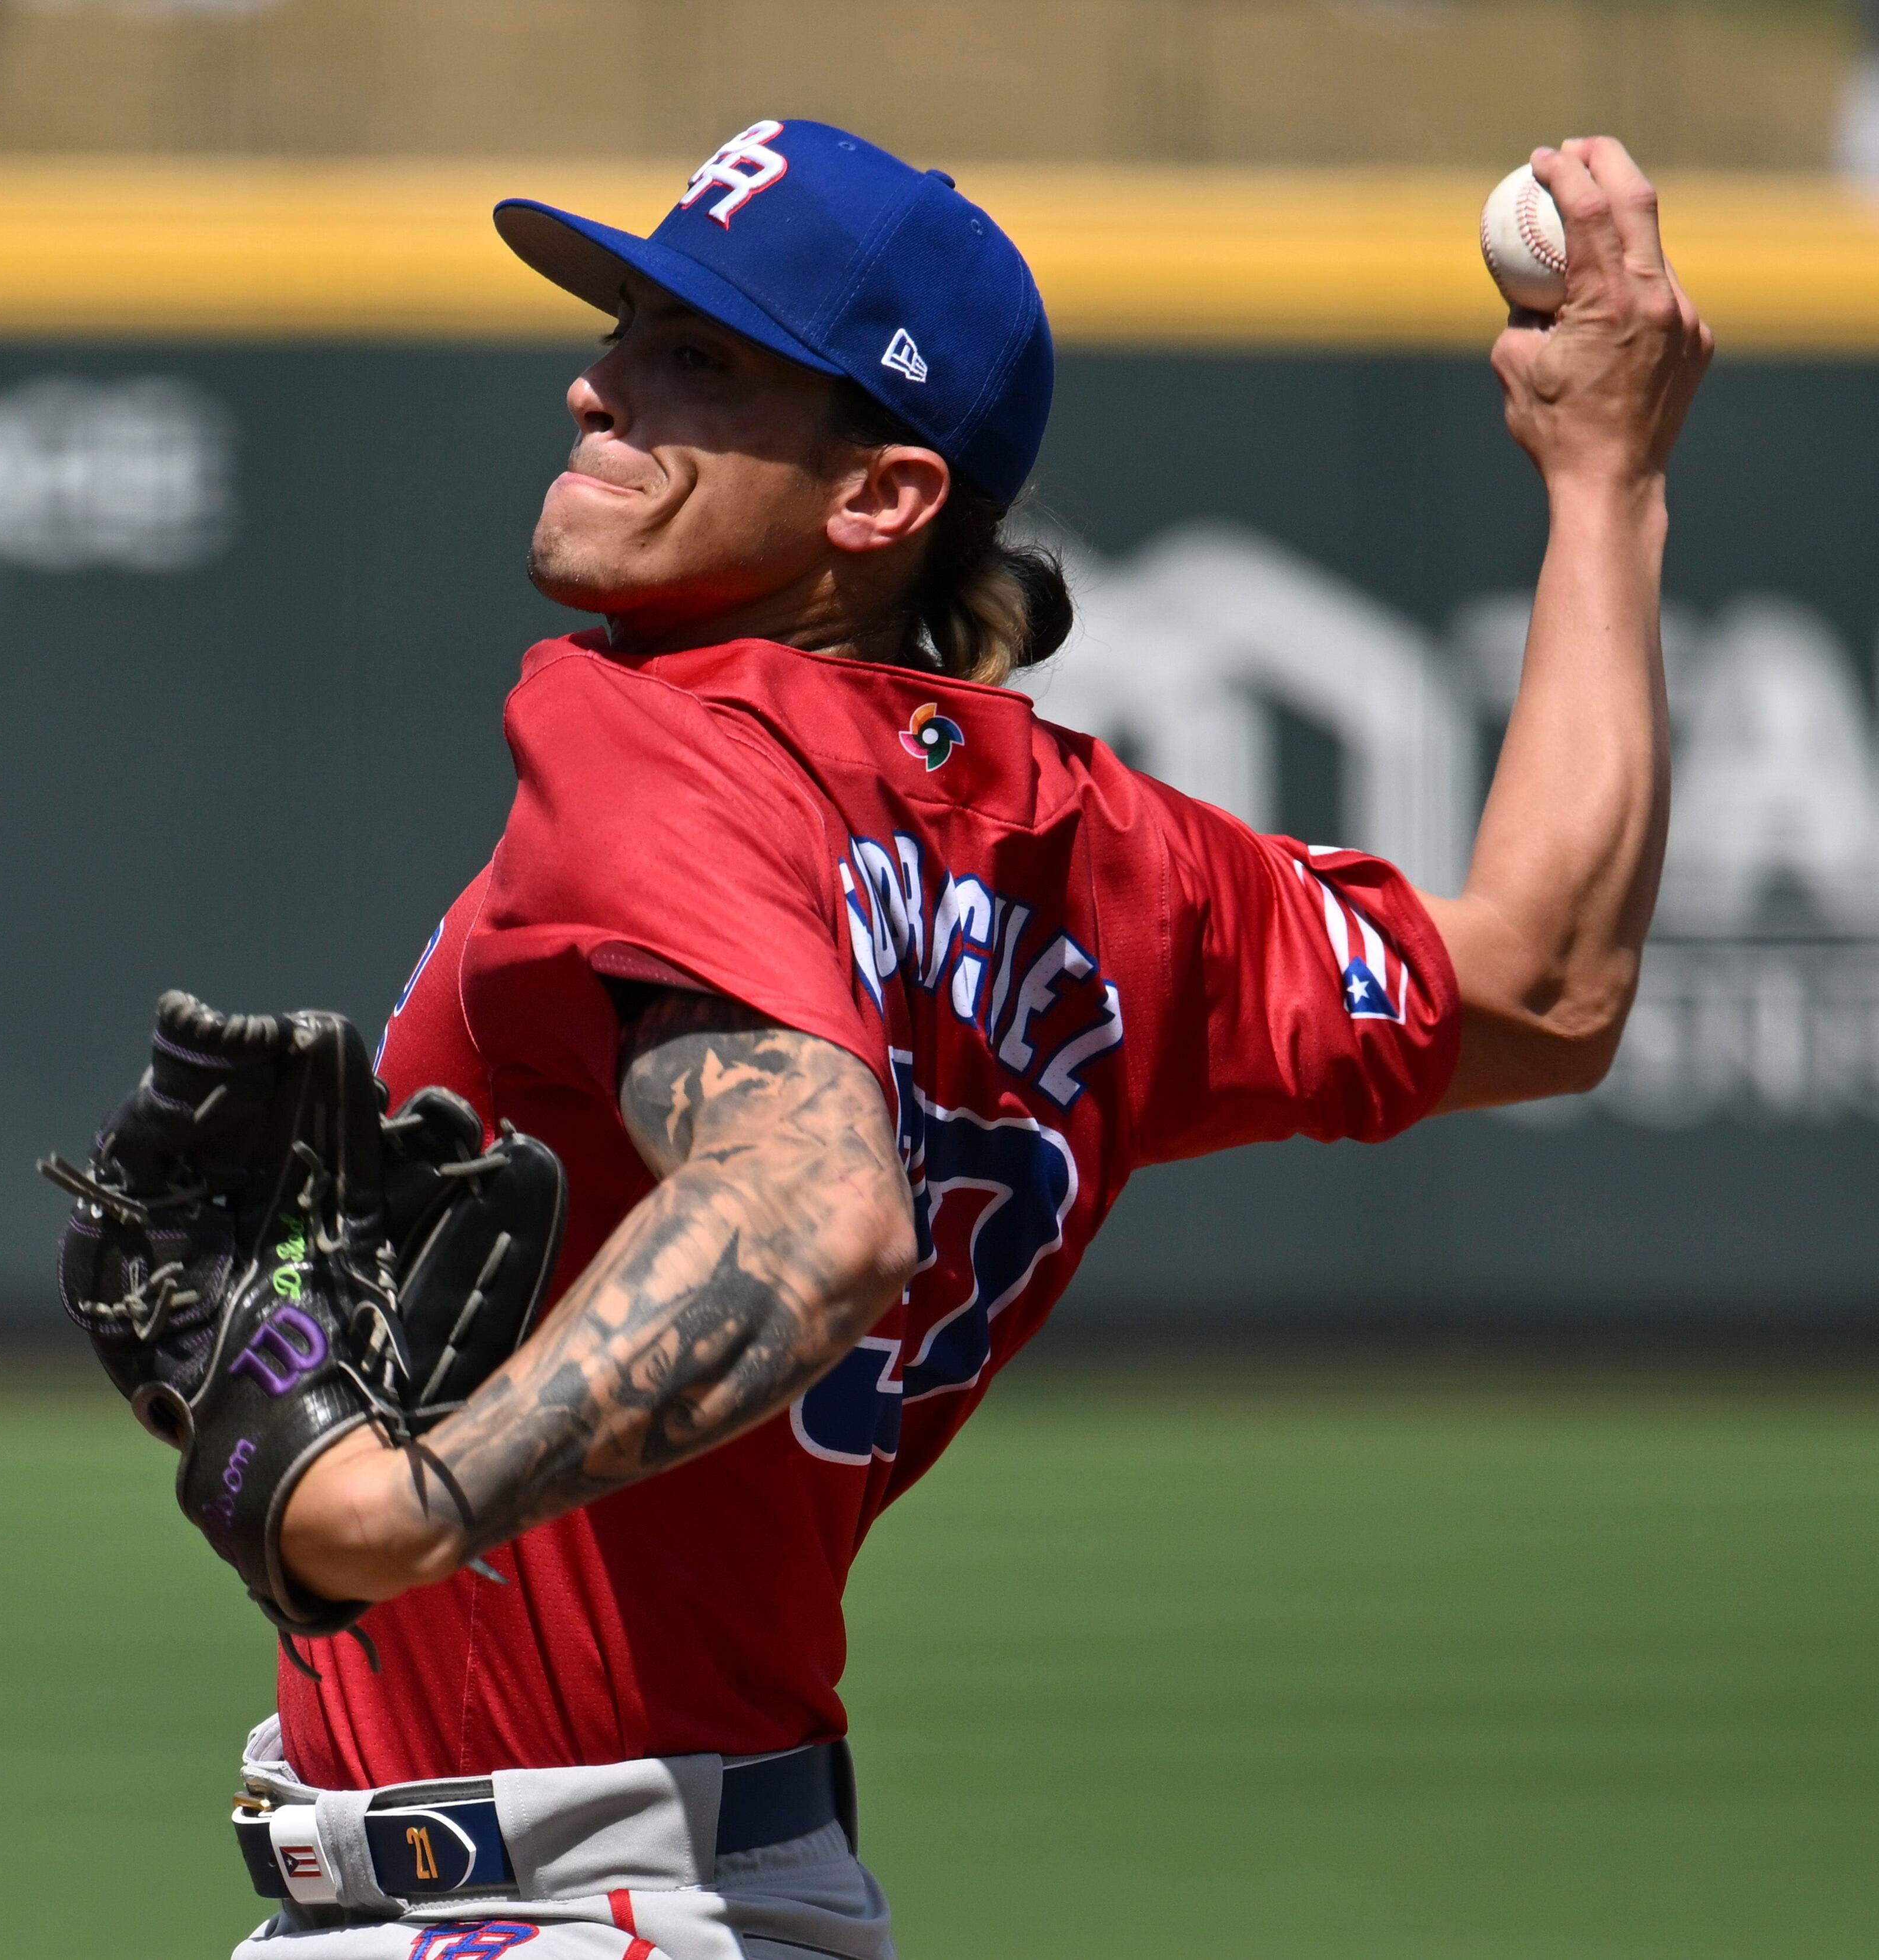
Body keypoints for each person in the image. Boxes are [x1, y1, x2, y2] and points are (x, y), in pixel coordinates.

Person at [225, 121, 1709, 1958]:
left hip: (550, 1908)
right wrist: (1609, 480)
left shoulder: (661, 734)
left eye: (703, 361)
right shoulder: (1102, 861)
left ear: (881, 499)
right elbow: (1545, 986)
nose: (599, 385)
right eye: (631, 328)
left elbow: (813, 1216)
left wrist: (400, 1508)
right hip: (734, 1888)